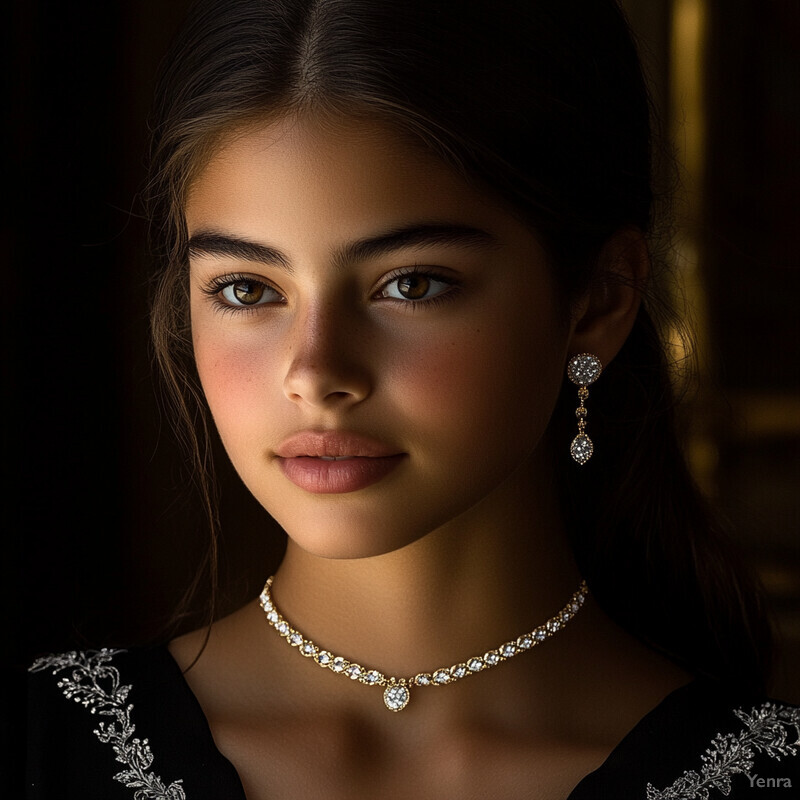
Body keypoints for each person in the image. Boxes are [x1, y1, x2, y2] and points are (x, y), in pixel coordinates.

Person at [25, 0, 800, 797]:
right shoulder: (42, 753)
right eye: (248, 288)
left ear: (599, 300)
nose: (317, 371)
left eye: (411, 284)